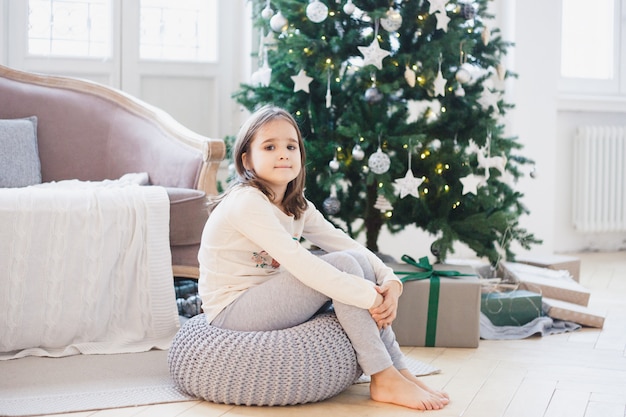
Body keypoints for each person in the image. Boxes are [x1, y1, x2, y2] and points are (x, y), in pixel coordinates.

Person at [197, 105, 450, 411]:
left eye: (291, 146)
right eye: (270, 146)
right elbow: (302, 264)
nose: (283, 154)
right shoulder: (246, 202)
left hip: (266, 299)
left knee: (348, 258)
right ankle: (383, 376)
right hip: (232, 309)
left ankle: (398, 370)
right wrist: (370, 298)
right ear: (246, 159)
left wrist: (390, 282)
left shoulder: (296, 204)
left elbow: (347, 245)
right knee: (343, 266)